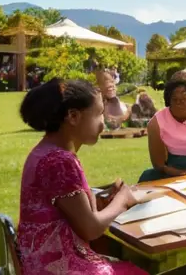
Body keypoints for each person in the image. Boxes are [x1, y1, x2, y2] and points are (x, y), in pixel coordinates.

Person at [17, 79, 146, 275]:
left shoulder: (45, 152)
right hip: (57, 266)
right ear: (73, 116)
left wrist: (100, 201)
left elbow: (70, 210)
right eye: (99, 114)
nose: (103, 123)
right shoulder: (59, 161)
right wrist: (122, 200)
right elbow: (91, 229)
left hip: (41, 261)